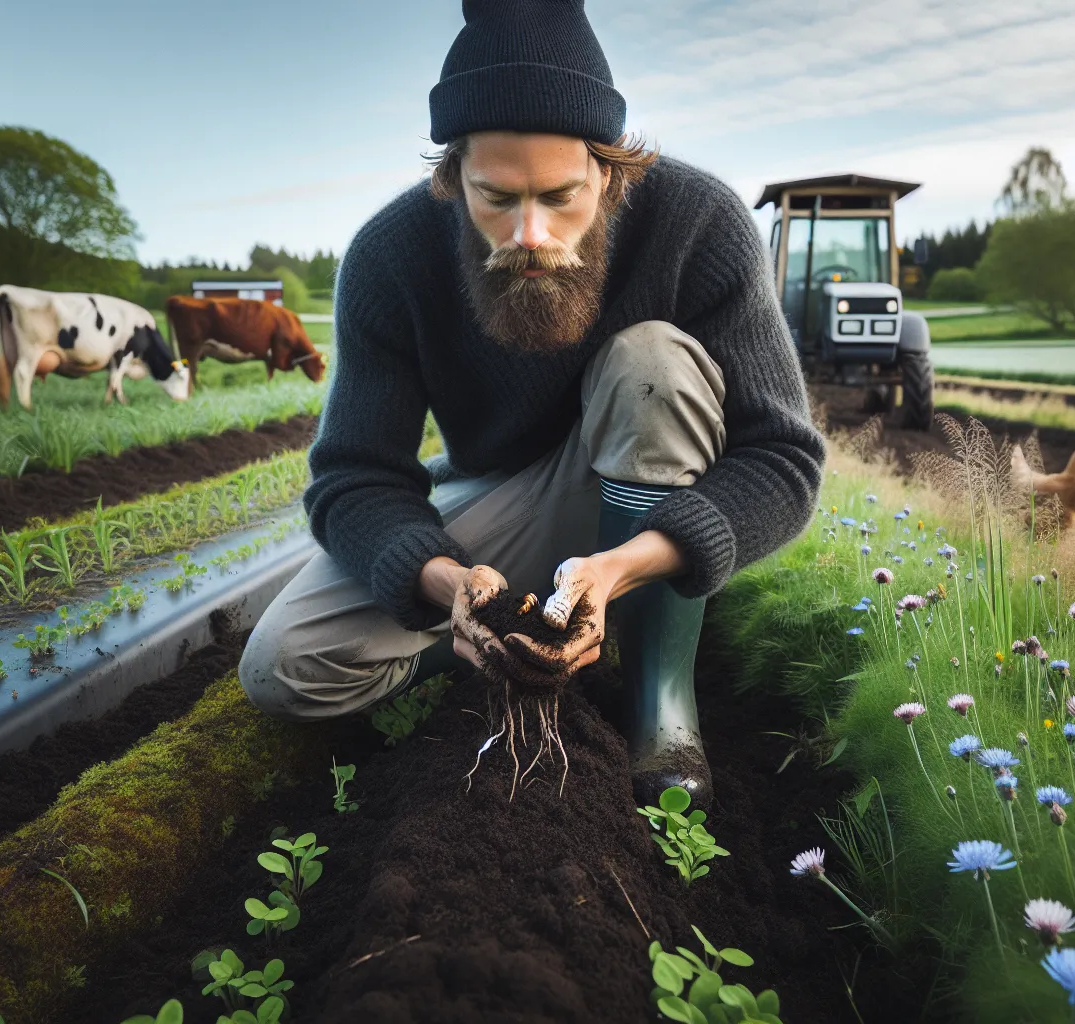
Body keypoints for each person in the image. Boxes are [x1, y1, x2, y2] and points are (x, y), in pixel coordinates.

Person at [239, 0, 824, 803]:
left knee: (651, 360)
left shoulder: (699, 223)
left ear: (611, 172)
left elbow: (783, 457)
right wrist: (450, 586)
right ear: (451, 178)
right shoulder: (389, 256)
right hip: (503, 499)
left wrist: (622, 568)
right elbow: (353, 476)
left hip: (647, 499)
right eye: (495, 197)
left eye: (559, 196)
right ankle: (511, 630)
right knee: (286, 666)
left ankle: (660, 701)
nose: (530, 234)